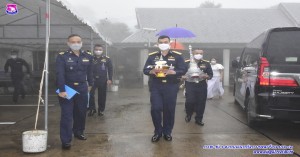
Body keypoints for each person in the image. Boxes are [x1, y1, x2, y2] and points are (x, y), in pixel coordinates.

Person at [143, 35, 187, 142]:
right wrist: (151, 71)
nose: (163, 44)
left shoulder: (177, 56)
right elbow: (145, 69)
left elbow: (183, 69)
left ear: (169, 43)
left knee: (169, 110)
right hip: (156, 86)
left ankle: (167, 132)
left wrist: (174, 72)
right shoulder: (152, 56)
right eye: (161, 42)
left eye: (165, 42)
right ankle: (157, 132)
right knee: (155, 109)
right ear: (157, 44)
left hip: (171, 86)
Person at [56, 34, 94, 149]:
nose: (76, 44)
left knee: (81, 112)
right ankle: (66, 140)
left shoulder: (87, 56)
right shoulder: (62, 56)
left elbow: (90, 72)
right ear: (68, 43)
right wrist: (62, 90)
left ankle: (78, 132)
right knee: (67, 115)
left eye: (78, 41)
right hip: (68, 88)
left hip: (82, 88)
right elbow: (60, 74)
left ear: (82, 43)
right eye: (73, 42)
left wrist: (91, 84)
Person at [184, 49, 213, 126]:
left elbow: (210, 74)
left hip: (201, 84)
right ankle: (189, 114)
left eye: (201, 53)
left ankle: (199, 119)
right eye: (197, 53)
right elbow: (182, 73)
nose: (199, 54)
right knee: (190, 101)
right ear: (193, 53)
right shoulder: (187, 63)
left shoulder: (206, 63)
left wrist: (207, 76)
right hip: (190, 84)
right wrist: (183, 77)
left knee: (201, 102)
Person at [88, 44, 113, 117]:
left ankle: (101, 110)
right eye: (96, 49)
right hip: (92, 79)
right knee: (90, 95)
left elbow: (110, 69)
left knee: (102, 95)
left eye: (100, 49)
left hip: (103, 79)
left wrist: (110, 79)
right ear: (94, 50)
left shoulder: (107, 59)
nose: (98, 51)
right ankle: (92, 109)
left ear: (102, 50)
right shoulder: (90, 58)